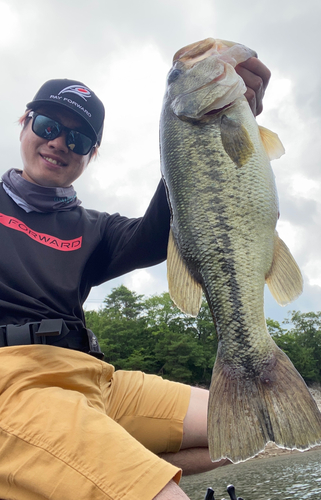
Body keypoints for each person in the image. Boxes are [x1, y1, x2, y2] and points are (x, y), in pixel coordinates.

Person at [0, 55, 271, 500]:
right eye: (48, 125)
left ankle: (101, 473)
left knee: (249, 422)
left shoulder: (94, 227)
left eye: (80, 137)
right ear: (25, 123)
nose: (59, 143)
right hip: (13, 384)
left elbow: (154, 235)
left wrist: (209, 134)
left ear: (92, 152)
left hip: (96, 378)